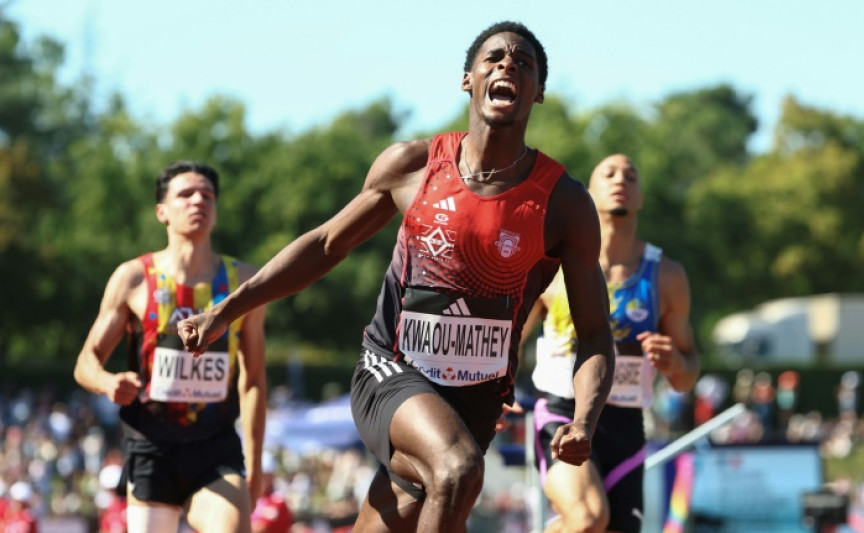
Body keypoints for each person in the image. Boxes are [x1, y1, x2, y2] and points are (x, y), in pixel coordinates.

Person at [177, 21, 615, 533]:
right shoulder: (413, 166)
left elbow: (594, 335)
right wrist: (228, 309)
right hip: (390, 368)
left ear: (537, 92)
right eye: (494, 58)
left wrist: (584, 419)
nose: (507, 66)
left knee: (408, 512)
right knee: (458, 470)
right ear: (467, 79)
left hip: (476, 398)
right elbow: (324, 245)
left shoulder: (564, 202)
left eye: (523, 63)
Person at [74, 161, 268, 533]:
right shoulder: (133, 277)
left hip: (216, 447)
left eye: (208, 195)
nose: (199, 200)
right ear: (162, 212)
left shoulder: (244, 281)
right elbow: (85, 362)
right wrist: (106, 383)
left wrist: (255, 466)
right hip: (151, 445)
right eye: (186, 194)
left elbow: (255, 378)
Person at [527, 154, 699, 532]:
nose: (621, 179)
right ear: (589, 194)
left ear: (640, 199)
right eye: (609, 173)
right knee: (588, 518)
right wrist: (494, 396)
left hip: (626, 423)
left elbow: (687, 377)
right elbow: (507, 344)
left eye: (631, 175)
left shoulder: (667, 276)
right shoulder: (551, 264)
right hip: (563, 412)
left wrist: (674, 364)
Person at [250, 452, 293, 533]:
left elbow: (261, 529)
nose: (259, 479)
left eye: (263, 475)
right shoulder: (248, 500)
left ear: (271, 476)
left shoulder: (277, 501)